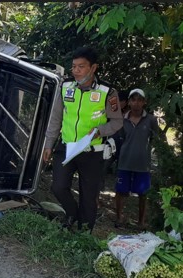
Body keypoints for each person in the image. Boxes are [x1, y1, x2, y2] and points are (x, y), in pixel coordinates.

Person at [42, 46, 123, 233]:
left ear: (93, 68)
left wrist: (100, 131)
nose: (76, 71)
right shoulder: (65, 87)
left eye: (81, 67)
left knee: (88, 195)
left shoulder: (108, 92)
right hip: (66, 147)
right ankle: (72, 214)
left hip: (92, 152)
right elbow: (56, 118)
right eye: (74, 67)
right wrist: (48, 144)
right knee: (58, 186)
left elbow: (117, 121)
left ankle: (84, 232)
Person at [113, 88, 160, 229]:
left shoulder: (151, 120)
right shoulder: (123, 119)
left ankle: (141, 221)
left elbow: (154, 138)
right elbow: (119, 138)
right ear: (129, 102)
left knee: (143, 193)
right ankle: (119, 218)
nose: (136, 103)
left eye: (140, 100)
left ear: (144, 102)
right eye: (133, 99)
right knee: (121, 191)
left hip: (142, 163)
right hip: (124, 161)